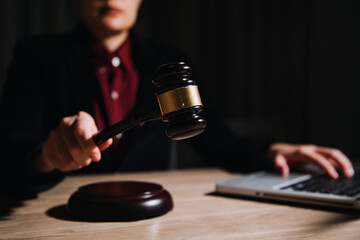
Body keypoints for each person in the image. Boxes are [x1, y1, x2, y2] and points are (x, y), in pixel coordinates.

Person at [0, 0, 354, 197]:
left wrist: (270, 151)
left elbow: (214, 138)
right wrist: (47, 156)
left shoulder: (167, 61)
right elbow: (12, 156)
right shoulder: (36, 56)